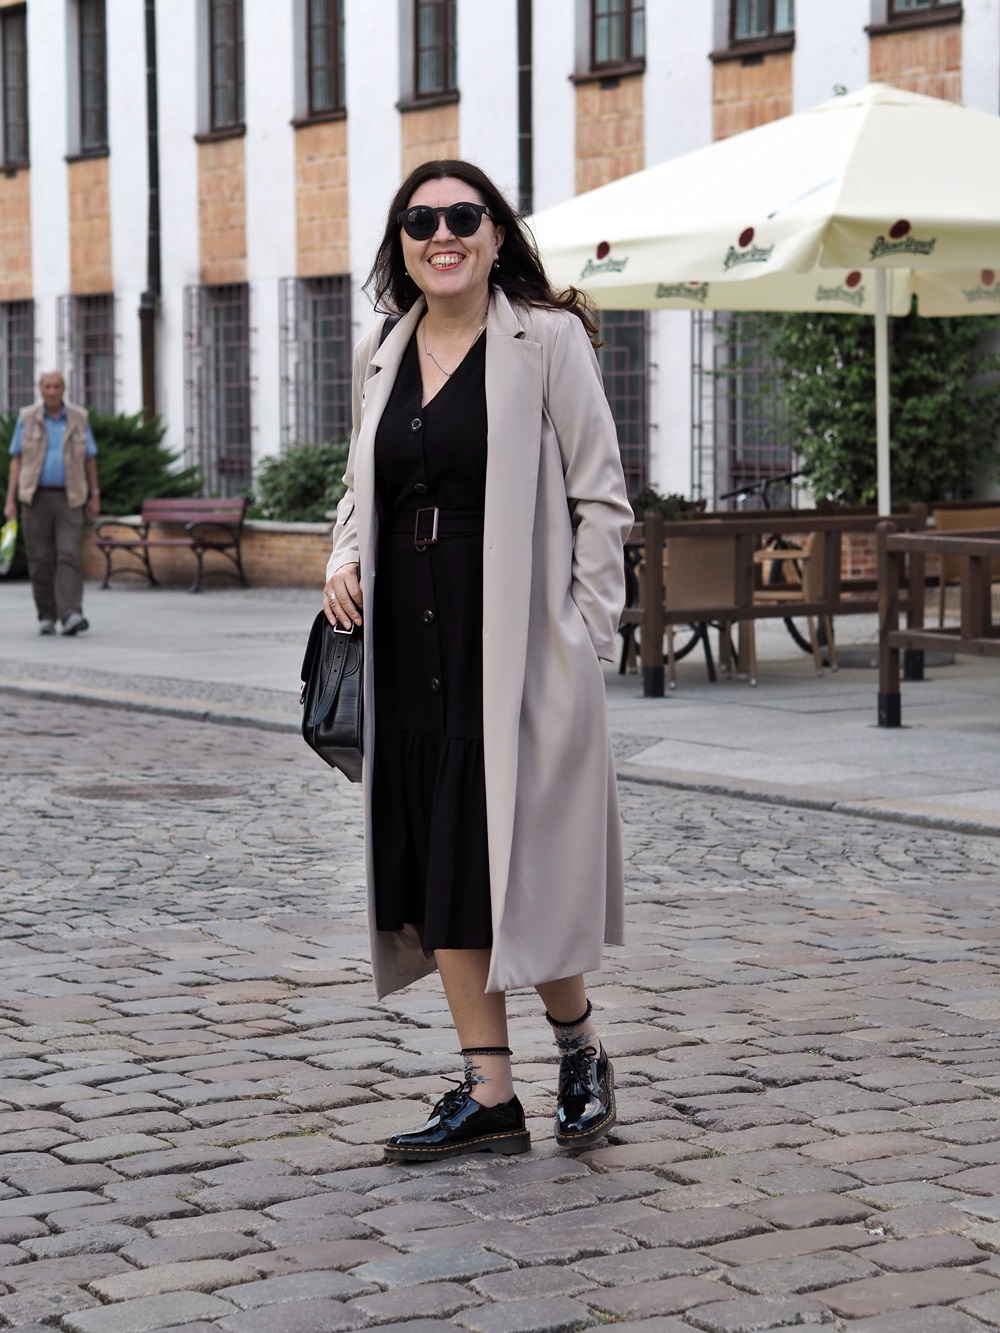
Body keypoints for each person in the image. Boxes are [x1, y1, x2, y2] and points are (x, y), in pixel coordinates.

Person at [324, 159, 633, 1163]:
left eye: (464, 216)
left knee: (519, 860)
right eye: (420, 222)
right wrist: (342, 554)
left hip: (514, 642)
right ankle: (490, 1091)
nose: (442, 234)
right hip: (408, 645)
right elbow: (359, 483)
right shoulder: (382, 349)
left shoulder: (545, 339)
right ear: (401, 245)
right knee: (438, 855)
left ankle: (579, 1046)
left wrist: (586, 637)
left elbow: (601, 498)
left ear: (497, 235)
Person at [4, 370, 99, 635]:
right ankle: (46, 614)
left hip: (70, 497)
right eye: (47, 386)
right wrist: (10, 499)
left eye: (57, 386)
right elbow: (17, 460)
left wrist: (95, 493)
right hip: (35, 498)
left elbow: (90, 458)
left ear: (64, 389)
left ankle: (70, 614)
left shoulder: (79, 418)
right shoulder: (27, 418)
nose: (52, 392)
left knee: (68, 554)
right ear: (40, 389)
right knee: (41, 559)